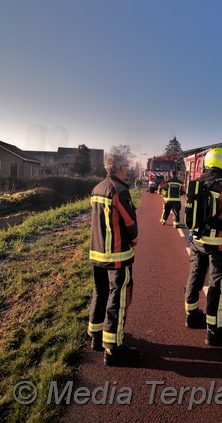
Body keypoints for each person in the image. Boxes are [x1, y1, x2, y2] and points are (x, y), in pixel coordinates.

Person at [87, 154, 140, 366]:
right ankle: (114, 349)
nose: (128, 169)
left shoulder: (97, 188)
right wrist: (134, 240)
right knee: (117, 298)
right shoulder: (120, 190)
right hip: (117, 254)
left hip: (96, 252)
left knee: (99, 292)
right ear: (119, 168)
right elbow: (130, 222)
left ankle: (96, 337)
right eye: (126, 166)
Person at [184, 147, 222, 347]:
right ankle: (215, 330)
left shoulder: (197, 183)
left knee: (195, 274)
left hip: (197, 240)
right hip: (219, 243)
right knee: (218, 283)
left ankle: (191, 315)